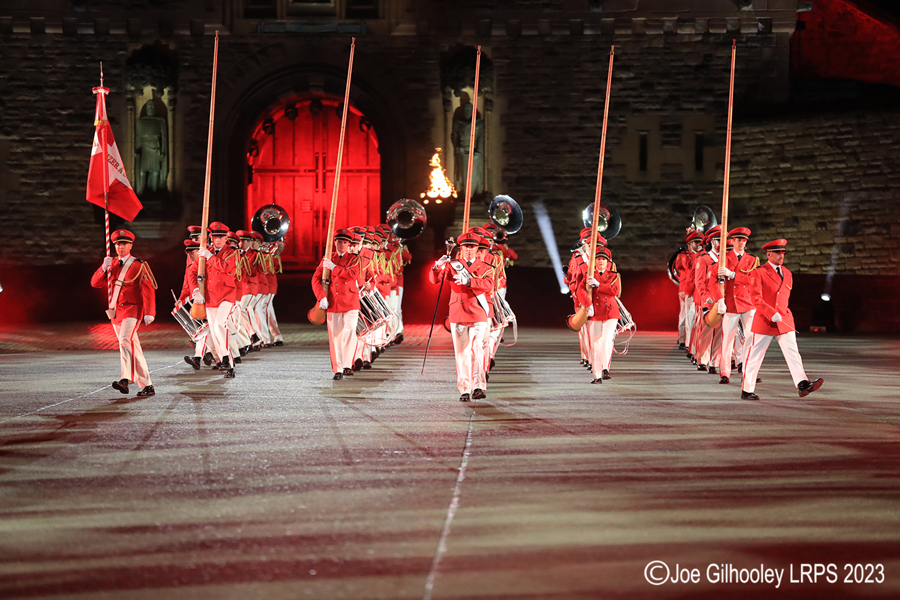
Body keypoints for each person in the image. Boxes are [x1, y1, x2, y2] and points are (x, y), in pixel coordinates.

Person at [740, 239, 824, 400]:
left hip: (784, 319)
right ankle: (747, 389)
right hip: (765, 319)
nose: (781, 256)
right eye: (778, 253)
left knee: (793, 352)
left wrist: (781, 313)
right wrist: (771, 312)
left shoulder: (787, 273)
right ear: (769, 254)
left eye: (783, 253)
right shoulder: (759, 272)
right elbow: (756, 298)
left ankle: (802, 383)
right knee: (755, 356)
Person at [90, 229, 157, 397]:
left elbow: (148, 289)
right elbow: (95, 283)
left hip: (133, 310)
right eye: (118, 244)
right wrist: (103, 267)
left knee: (125, 340)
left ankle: (125, 379)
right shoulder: (110, 263)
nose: (121, 247)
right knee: (133, 347)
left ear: (131, 245)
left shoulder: (139, 265)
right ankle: (147, 385)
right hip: (116, 311)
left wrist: (149, 312)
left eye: (124, 244)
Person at [430, 232, 494, 402]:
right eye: (465, 247)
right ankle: (464, 389)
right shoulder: (453, 265)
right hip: (458, 312)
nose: (468, 250)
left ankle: (479, 386)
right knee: (462, 353)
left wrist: (469, 282)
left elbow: (489, 284)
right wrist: (437, 266)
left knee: (477, 349)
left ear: (477, 249)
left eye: (472, 247)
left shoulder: (485, 267)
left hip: (477, 312)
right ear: (461, 248)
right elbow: (435, 280)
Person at [313, 229, 363, 380]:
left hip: (350, 301)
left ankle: (348, 365)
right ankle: (338, 369)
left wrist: (333, 267)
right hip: (333, 301)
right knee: (335, 337)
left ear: (349, 244)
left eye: (345, 243)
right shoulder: (328, 258)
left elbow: (352, 274)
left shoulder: (354, 259)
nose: (342, 245)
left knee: (350, 330)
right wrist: (321, 297)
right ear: (334, 242)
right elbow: (315, 279)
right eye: (340, 242)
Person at [190, 222, 238, 378]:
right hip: (210, 297)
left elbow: (227, 268)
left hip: (226, 295)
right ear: (210, 237)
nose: (218, 240)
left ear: (226, 238)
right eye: (215, 237)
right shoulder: (206, 252)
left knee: (219, 325)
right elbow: (191, 272)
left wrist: (209, 257)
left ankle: (225, 357)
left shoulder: (231, 252)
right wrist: (195, 290)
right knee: (216, 332)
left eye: (221, 237)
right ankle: (228, 363)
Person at [716, 227, 759, 384]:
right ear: (732, 241)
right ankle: (725, 372)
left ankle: (749, 372)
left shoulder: (753, 260)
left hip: (747, 302)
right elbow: (716, 281)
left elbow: (753, 279)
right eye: (739, 240)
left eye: (744, 240)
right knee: (727, 339)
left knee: (750, 339)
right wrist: (719, 300)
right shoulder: (724, 258)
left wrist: (733, 275)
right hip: (731, 302)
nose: (741, 243)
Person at [575, 246, 621, 384]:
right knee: (595, 344)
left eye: (603, 259)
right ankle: (597, 375)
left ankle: (605, 368)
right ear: (594, 261)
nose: (601, 261)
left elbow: (615, 290)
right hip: (595, 312)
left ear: (608, 262)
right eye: (598, 259)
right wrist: (588, 305)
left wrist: (599, 285)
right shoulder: (588, 275)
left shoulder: (613, 275)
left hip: (610, 312)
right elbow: (580, 291)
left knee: (607, 340)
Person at [676, 230, 702, 350]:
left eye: (700, 242)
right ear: (690, 244)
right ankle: (684, 341)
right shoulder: (685, 256)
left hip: (697, 290)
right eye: (696, 242)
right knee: (687, 316)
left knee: (695, 317)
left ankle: (691, 341)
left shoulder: (701, 255)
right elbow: (685, 266)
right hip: (687, 289)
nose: (699, 245)